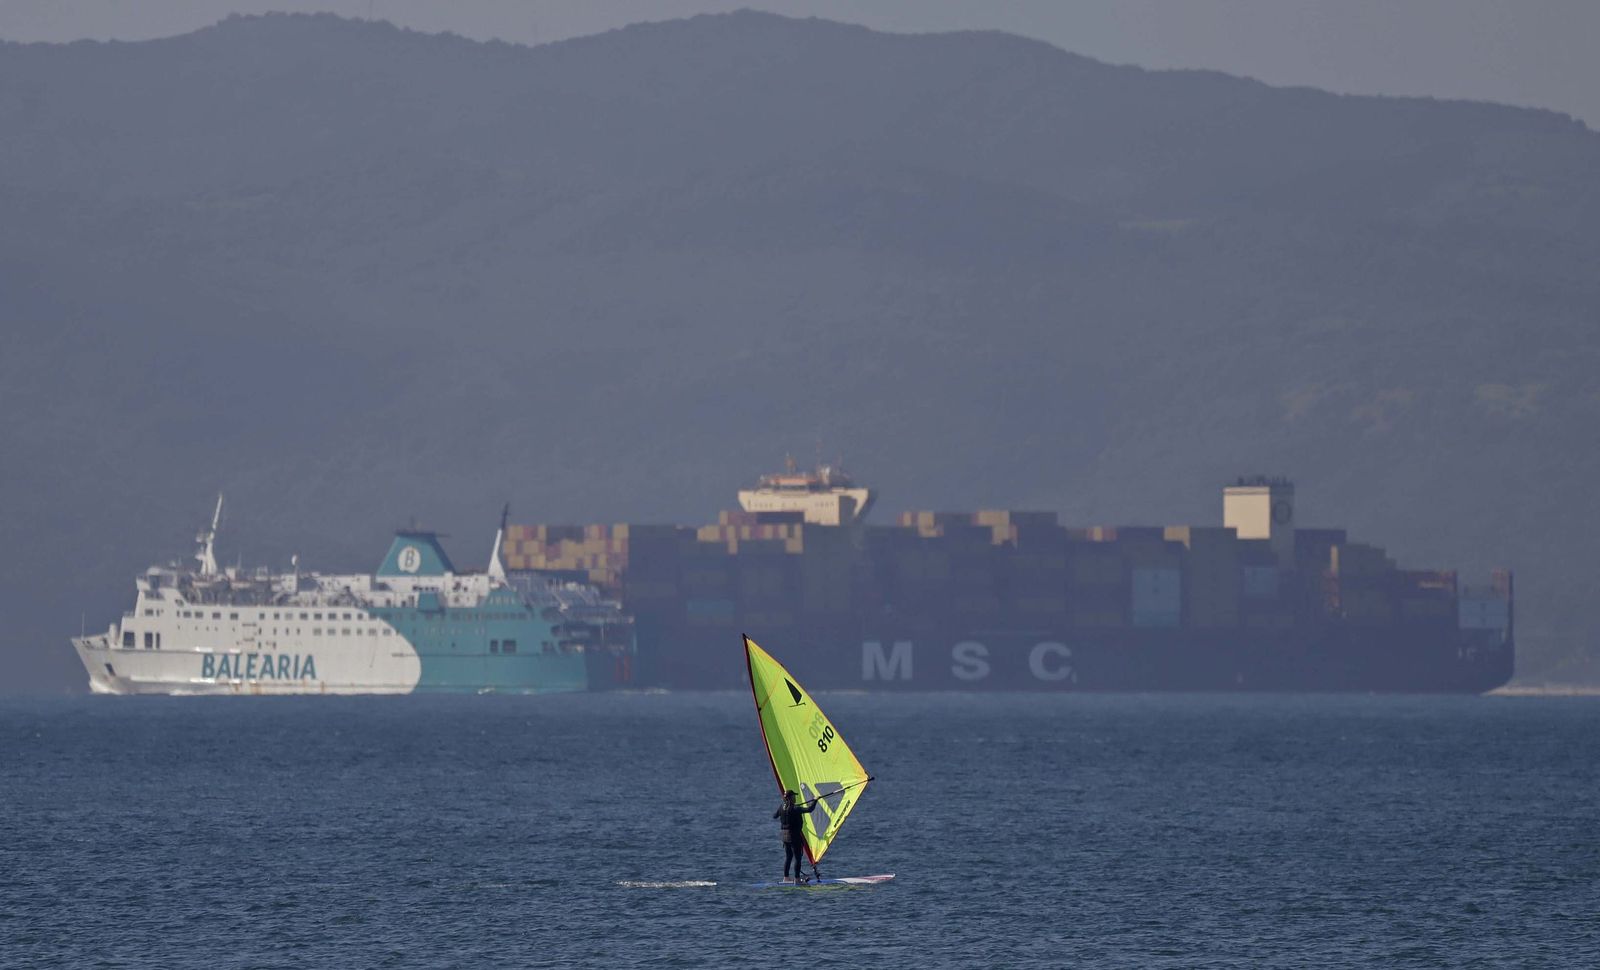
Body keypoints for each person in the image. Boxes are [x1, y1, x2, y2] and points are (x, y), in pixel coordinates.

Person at [773, 789, 819, 882]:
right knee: (797, 857)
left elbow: (775, 816)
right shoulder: (795, 808)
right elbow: (809, 809)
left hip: (784, 836)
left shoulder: (782, 807)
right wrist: (815, 800)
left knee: (788, 856)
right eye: (794, 796)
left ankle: (786, 878)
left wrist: (784, 812)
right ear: (790, 798)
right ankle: (797, 879)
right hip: (794, 836)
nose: (795, 797)